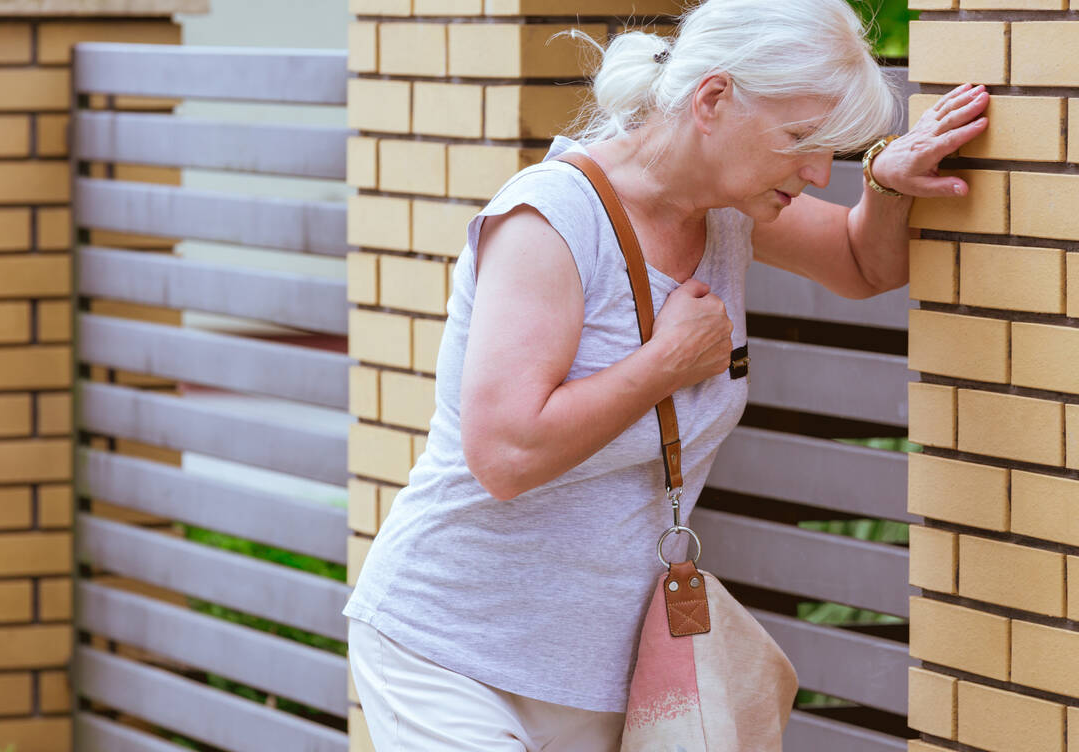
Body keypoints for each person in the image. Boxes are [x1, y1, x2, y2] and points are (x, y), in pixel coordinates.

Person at [342, 0, 989, 748]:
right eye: (802, 140)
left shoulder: (729, 209)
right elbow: (505, 455)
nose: (817, 173)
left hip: (599, 672)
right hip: (453, 650)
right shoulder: (552, 220)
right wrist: (666, 362)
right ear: (713, 100)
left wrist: (884, 179)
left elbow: (860, 262)